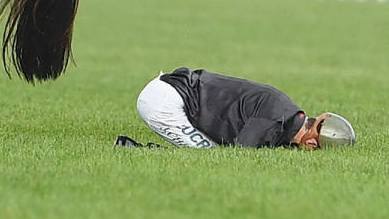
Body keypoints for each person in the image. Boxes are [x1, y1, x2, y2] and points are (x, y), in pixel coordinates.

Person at [119, 67, 356, 149]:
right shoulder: (276, 118)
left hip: (173, 89)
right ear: (312, 143)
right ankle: (131, 148)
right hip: (165, 100)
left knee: (208, 149)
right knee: (207, 156)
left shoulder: (288, 113)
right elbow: (239, 152)